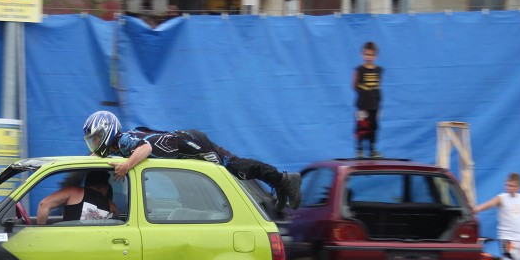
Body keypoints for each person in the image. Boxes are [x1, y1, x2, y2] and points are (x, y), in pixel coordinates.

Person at [82, 111, 302, 211]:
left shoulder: (125, 141)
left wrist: (127, 165)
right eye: (92, 141)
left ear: (108, 130)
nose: (95, 144)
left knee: (237, 169)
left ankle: (285, 180)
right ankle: (281, 183)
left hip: (192, 144)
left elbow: (146, 147)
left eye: (97, 138)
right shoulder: (119, 144)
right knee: (237, 168)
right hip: (186, 141)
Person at [36, 169, 118, 224]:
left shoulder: (73, 192)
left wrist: (39, 232)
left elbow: (44, 204)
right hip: (95, 247)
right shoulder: (112, 206)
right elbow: (116, 223)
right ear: (105, 187)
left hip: (68, 245)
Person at [352, 41, 383, 158]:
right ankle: (359, 150)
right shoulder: (358, 70)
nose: (368, 57)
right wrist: (363, 95)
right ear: (362, 54)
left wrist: (378, 106)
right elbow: (354, 85)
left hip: (375, 105)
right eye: (366, 54)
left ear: (376, 56)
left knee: (374, 127)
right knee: (361, 126)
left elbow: (378, 87)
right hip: (362, 105)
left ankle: (372, 150)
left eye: (371, 55)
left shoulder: (379, 70)